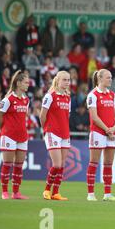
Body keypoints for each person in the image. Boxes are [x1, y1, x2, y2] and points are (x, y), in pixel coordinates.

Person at [85, 69, 115, 202]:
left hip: (110, 133)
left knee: (108, 164)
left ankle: (107, 193)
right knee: (94, 163)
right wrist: (107, 130)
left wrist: (114, 128)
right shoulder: (92, 95)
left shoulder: (113, 95)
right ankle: (91, 193)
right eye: (108, 77)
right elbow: (94, 117)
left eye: (111, 77)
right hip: (98, 132)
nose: (110, 80)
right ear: (100, 79)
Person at [0, 70, 30, 200]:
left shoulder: (26, 100)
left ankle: (16, 192)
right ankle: (4, 191)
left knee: (19, 165)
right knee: (7, 163)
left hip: (22, 136)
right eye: (26, 82)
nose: (28, 85)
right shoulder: (8, 99)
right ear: (18, 83)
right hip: (9, 135)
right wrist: (3, 129)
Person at [40, 71, 71, 201]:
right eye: (64, 80)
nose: (67, 82)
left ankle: (56, 192)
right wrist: (45, 130)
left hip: (65, 133)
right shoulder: (49, 96)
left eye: (68, 80)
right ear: (57, 80)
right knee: (57, 164)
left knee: (62, 165)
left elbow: (66, 116)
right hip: (53, 133)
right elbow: (42, 115)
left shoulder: (68, 97)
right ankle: (47, 190)